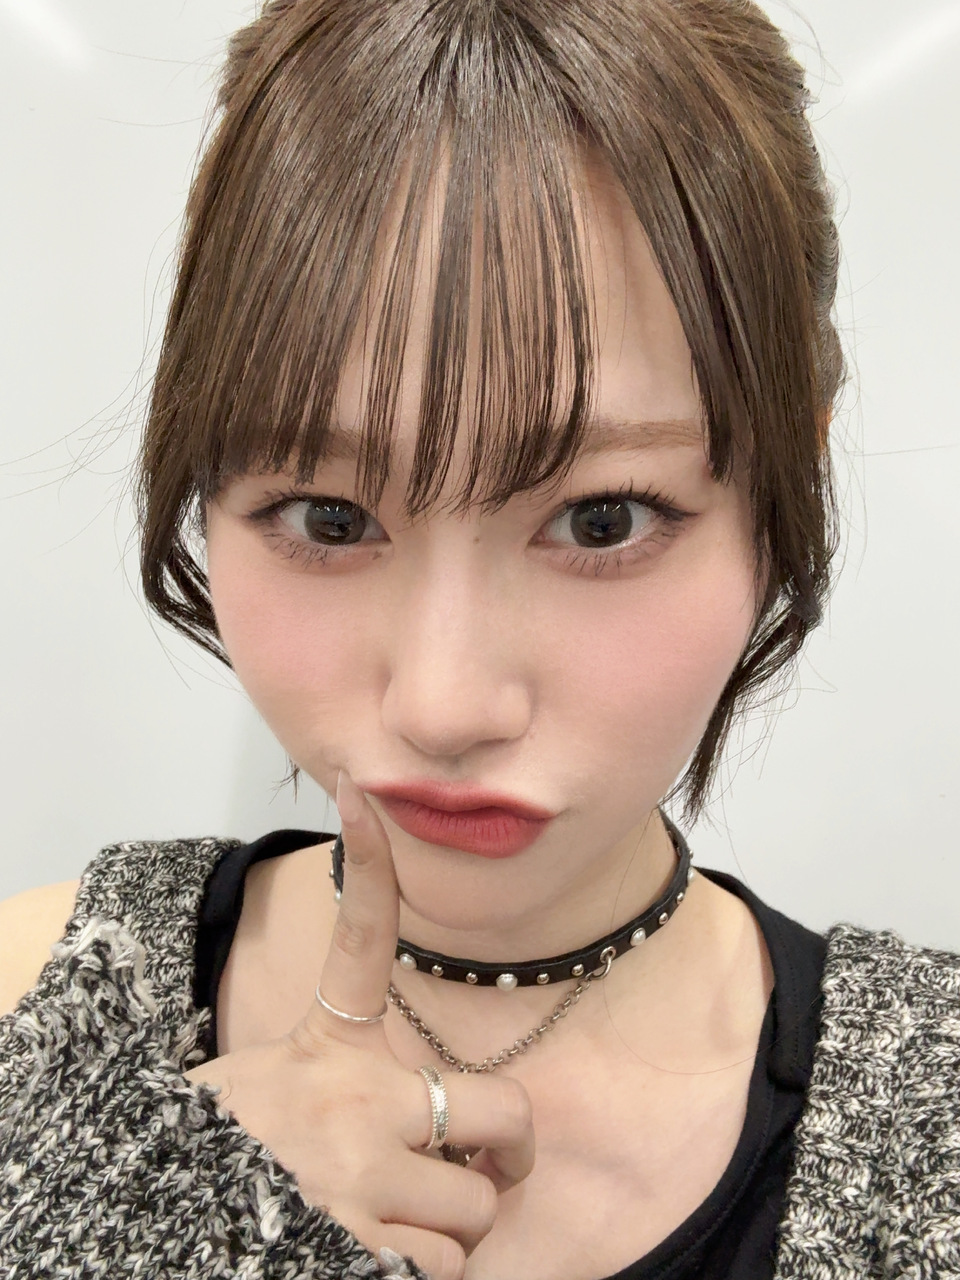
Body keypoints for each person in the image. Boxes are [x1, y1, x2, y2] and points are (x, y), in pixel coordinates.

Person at [0, 1, 958, 1277]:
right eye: (328, 516)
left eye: (604, 517)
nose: (446, 704)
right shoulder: (27, 1003)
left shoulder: (932, 1127)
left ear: (791, 487)